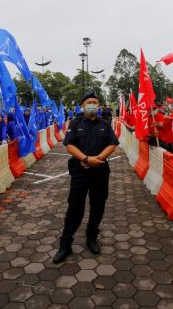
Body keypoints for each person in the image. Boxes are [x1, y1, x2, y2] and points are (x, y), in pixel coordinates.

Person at [54, 91, 119, 263]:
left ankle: (92, 237)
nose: (92, 105)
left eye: (95, 102)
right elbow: (69, 145)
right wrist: (85, 159)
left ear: (98, 106)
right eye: (89, 102)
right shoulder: (75, 124)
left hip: (100, 172)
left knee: (98, 206)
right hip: (80, 173)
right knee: (75, 208)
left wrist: (98, 159)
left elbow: (112, 144)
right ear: (82, 106)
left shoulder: (105, 125)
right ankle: (65, 244)